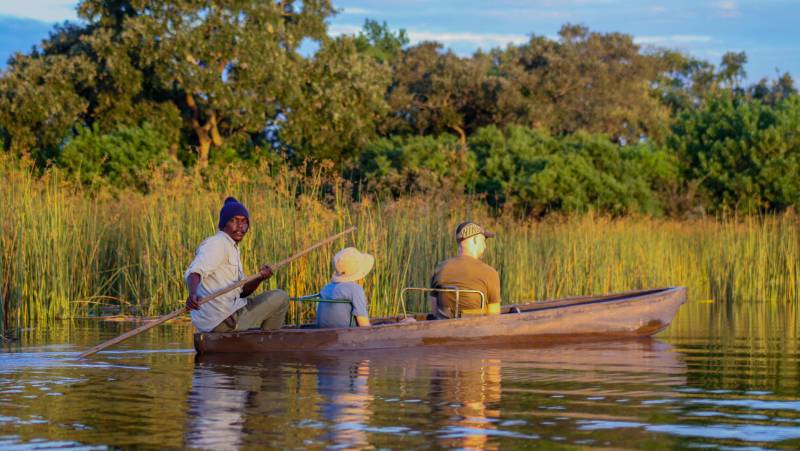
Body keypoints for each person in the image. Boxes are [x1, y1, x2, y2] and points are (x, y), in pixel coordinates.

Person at [184, 196, 289, 333]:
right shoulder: (217, 243)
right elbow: (195, 272)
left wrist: (260, 278)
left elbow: (242, 292)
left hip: (221, 318)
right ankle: (268, 341)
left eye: (244, 222)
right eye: (234, 221)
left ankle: (258, 338)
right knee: (281, 297)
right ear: (223, 225)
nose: (240, 226)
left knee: (269, 299)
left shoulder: (231, 246)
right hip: (223, 319)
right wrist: (192, 294)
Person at [429, 221, 501, 318]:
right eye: (483, 241)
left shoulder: (440, 268)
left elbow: (435, 311)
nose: (485, 246)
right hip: (477, 330)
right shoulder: (491, 273)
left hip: (444, 329)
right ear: (475, 240)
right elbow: (494, 317)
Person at [316, 247, 374, 328]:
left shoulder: (326, 288)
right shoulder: (355, 289)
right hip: (344, 335)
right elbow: (364, 325)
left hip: (322, 333)